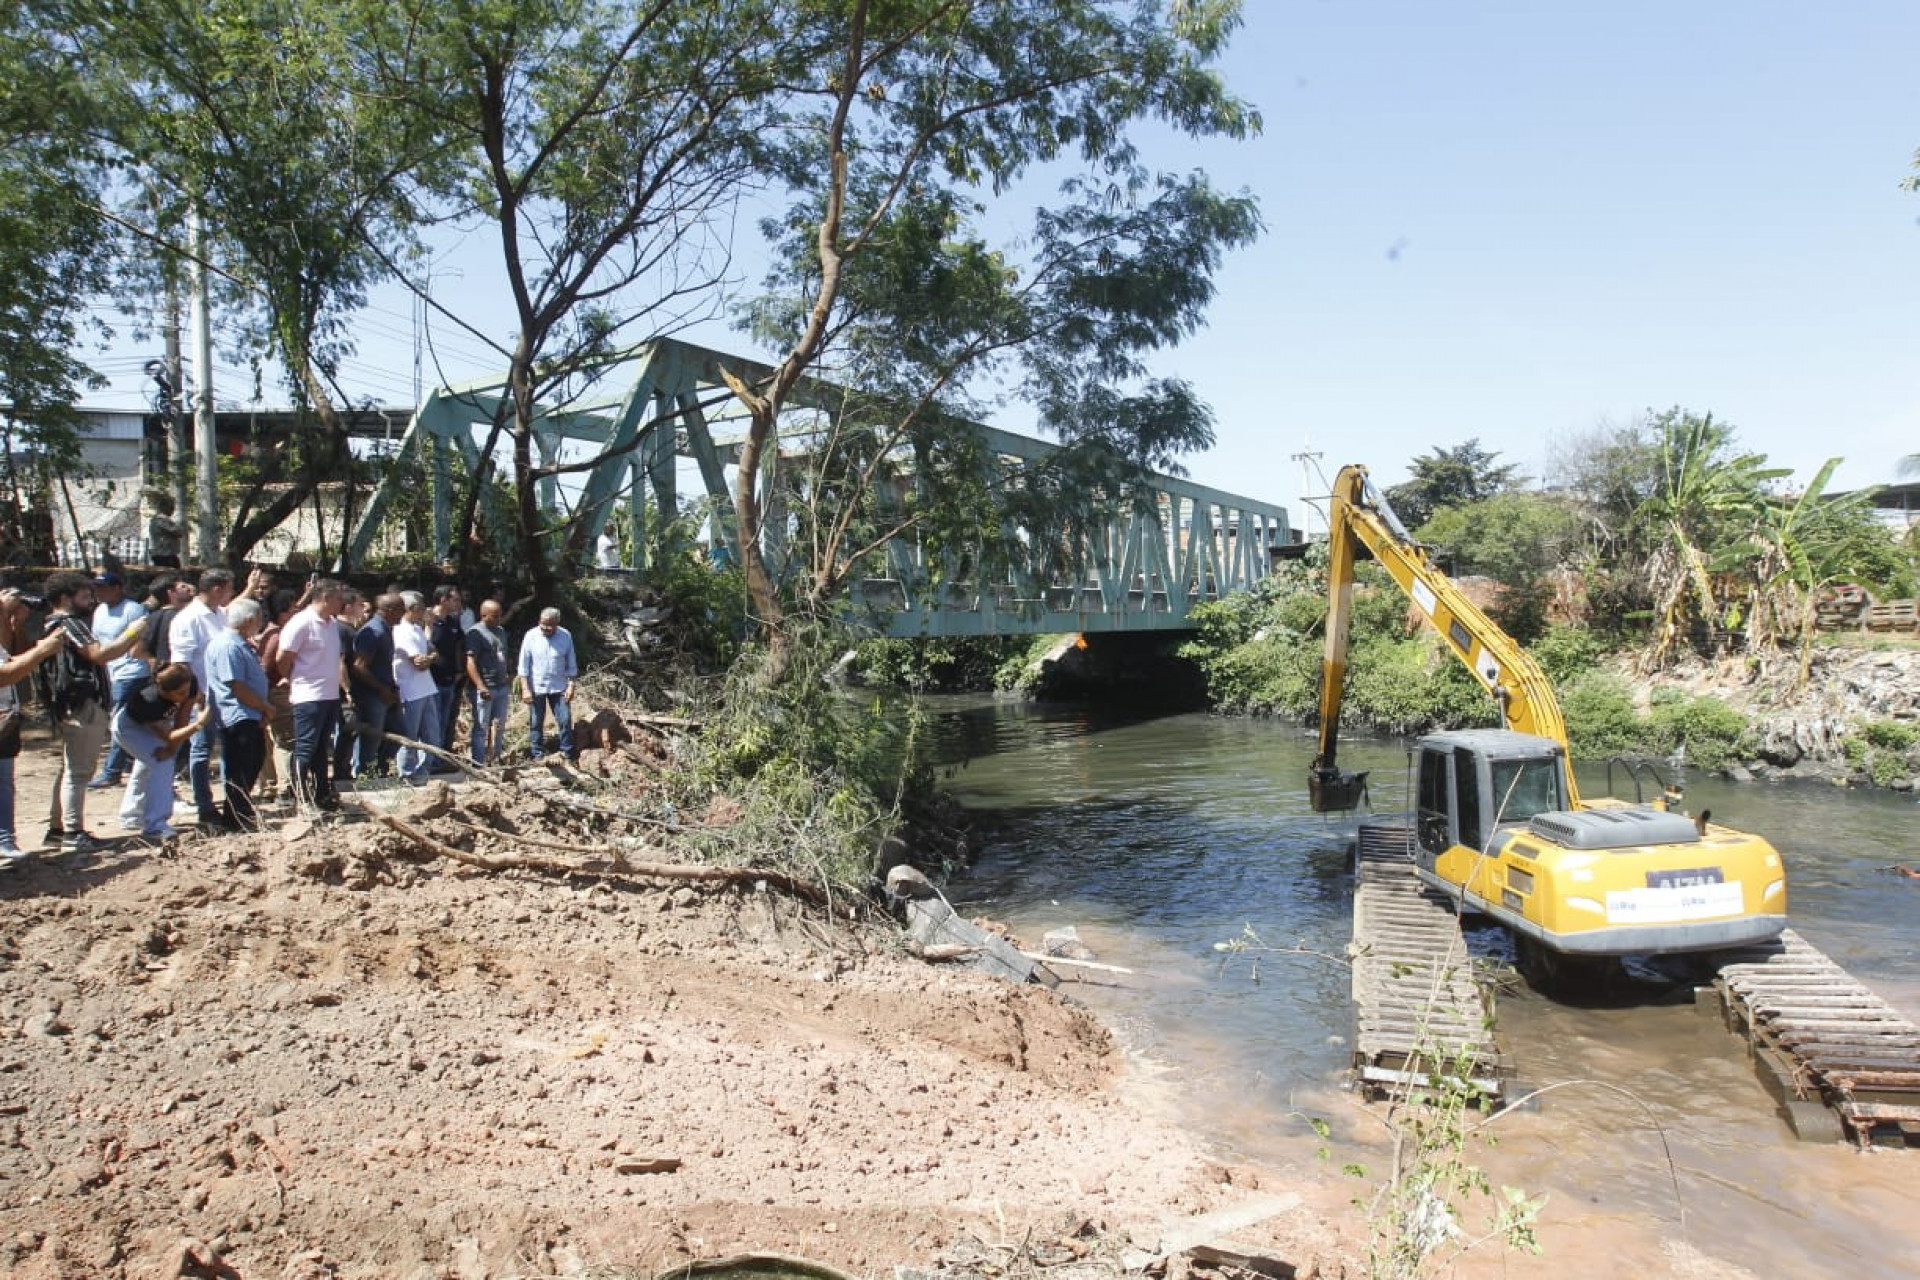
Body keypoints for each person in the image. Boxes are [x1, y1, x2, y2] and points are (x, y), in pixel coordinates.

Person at [37, 572, 146, 853]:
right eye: (84, 596)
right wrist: (135, 631)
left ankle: (58, 829)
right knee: (79, 771)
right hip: (82, 706)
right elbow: (100, 654)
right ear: (65, 598)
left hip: (72, 705)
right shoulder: (69, 623)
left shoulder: (55, 623)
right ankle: (73, 833)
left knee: (70, 769)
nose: (90, 601)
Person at [0, 593, 72, 862]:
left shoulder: (5, 624)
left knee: (4, 781)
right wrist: (44, 650)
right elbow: (5, 675)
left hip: (6, 717)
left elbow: (14, 656)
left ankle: (5, 839)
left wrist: (14, 623)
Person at [112, 663, 210, 841]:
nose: (185, 696)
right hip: (130, 729)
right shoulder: (148, 702)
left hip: (159, 726)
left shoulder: (189, 684)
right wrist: (199, 724)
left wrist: (172, 749)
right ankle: (155, 825)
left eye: (187, 691)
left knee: (149, 765)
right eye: (179, 693)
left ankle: (132, 815)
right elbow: (169, 736)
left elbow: (181, 719)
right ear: (165, 690)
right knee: (161, 762)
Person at [169, 569, 235, 828]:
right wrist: (193, 695)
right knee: (200, 750)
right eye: (229, 588)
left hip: (226, 692)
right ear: (217, 589)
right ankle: (205, 806)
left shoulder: (222, 614)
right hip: (202, 695)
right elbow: (181, 662)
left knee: (230, 748)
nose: (231, 593)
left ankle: (233, 800)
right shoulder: (189, 619)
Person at [275, 578, 347, 812]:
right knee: (305, 747)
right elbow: (283, 657)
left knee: (321, 749)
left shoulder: (331, 624)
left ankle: (321, 793)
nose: (342, 603)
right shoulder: (301, 623)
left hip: (329, 694)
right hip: (309, 694)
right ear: (325, 598)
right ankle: (300, 795)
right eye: (338, 598)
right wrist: (292, 677)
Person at [206, 599, 271, 830]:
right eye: (259, 619)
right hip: (238, 715)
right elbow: (237, 686)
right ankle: (235, 818)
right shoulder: (228, 646)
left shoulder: (239, 644)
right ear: (250, 620)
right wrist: (264, 707)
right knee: (241, 768)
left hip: (249, 714)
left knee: (251, 763)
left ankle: (239, 813)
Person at [86, 571, 151, 791]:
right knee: (128, 721)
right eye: (97, 588)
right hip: (109, 673)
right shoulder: (99, 611)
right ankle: (131, 760)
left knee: (119, 723)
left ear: (118, 588)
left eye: (104, 587)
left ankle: (112, 771)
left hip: (130, 673)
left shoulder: (133, 610)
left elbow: (140, 643)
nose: (99, 592)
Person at [349, 593, 402, 777]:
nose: (403, 614)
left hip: (386, 692)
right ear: (389, 610)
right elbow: (359, 666)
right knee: (371, 740)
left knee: (397, 733)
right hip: (372, 696)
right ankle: (366, 776)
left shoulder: (385, 629)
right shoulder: (373, 631)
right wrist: (381, 689)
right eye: (400, 609)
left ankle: (380, 770)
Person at [517, 607, 577, 761]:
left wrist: (571, 685)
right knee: (536, 722)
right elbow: (523, 665)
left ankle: (567, 754)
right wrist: (525, 689)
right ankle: (537, 754)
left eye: (549, 626)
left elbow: (571, 663)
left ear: (557, 623)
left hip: (559, 686)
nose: (545, 628)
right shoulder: (531, 636)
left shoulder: (565, 636)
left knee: (564, 720)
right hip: (536, 686)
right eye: (542, 624)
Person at [391, 592, 440, 782]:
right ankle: (406, 774)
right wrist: (428, 658)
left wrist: (429, 657)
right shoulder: (400, 631)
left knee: (432, 737)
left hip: (426, 688)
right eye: (421, 607)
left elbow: (431, 650)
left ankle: (423, 772)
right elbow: (419, 663)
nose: (424, 610)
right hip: (410, 691)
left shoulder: (416, 629)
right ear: (412, 609)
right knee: (409, 738)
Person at [463, 599, 512, 764]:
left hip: (501, 686)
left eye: (500, 615)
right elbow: (470, 662)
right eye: (495, 616)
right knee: (481, 728)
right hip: (485, 688)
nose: (499, 618)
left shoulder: (501, 631)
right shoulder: (475, 633)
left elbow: (503, 654)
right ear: (484, 615)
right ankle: (478, 762)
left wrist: (508, 673)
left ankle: (495, 758)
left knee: (499, 726)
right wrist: (480, 686)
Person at [428, 585, 466, 764]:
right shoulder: (428, 621)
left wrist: (459, 670)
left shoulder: (453, 621)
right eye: (455, 599)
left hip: (450, 680)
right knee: (432, 723)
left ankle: (441, 759)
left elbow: (459, 646)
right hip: (431, 680)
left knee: (445, 721)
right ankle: (431, 760)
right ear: (443, 600)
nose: (458, 603)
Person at [147, 495, 182, 569]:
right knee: (170, 576)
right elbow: (177, 532)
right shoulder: (161, 520)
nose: (173, 510)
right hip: (164, 555)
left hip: (167, 555)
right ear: (164, 507)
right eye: (171, 507)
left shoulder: (162, 519)